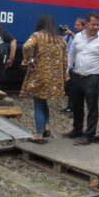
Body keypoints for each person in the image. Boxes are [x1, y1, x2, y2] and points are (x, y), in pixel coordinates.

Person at [66, 11, 99, 145]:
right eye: (93, 24)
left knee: (92, 108)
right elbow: (71, 54)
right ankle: (77, 130)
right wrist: (67, 69)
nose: (95, 27)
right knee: (76, 105)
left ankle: (89, 135)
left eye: (97, 25)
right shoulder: (77, 37)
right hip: (77, 76)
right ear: (86, 24)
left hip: (92, 77)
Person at [20, 14, 68, 143]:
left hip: (39, 77)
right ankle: (46, 126)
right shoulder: (60, 40)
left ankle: (39, 134)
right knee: (43, 102)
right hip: (54, 79)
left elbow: (26, 46)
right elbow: (65, 60)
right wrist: (64, 76)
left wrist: (29, 61)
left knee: (38, 104)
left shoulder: (37, 36)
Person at [61, 17, 86, 113]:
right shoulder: (68, 37)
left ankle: (73, 107)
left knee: (74, 87)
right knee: (69, 87)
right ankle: (71, 106)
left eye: (78, 25)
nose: (75, 26)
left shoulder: (83, 36)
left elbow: (82, 43)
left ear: (83, 26)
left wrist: (71, 34)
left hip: (77, 65)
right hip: (69, 64)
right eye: (75, 25)